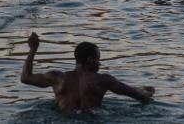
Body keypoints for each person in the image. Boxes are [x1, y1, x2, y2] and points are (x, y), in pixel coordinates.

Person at [21, 33, 154, 113]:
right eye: (98, 60)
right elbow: (138, 96)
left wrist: (33, 50)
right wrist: (145, 92)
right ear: (90, 60)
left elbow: (25, 77)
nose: (99, 64)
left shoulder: (57, 78)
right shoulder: (102, 80)